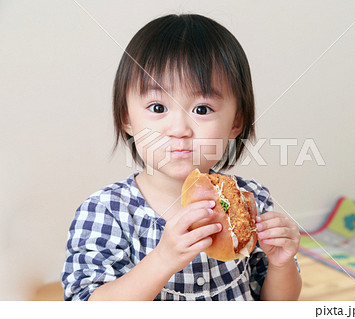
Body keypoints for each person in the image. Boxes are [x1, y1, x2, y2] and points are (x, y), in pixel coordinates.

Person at [61, 14, 301, 301]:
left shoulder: (252, 201)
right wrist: (163, 259)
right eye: (158, 107)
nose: (179, 130)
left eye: (202, 109)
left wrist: (282, 263)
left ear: (236, 123)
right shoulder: (107, 211)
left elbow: (276, 303)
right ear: (127, 119)